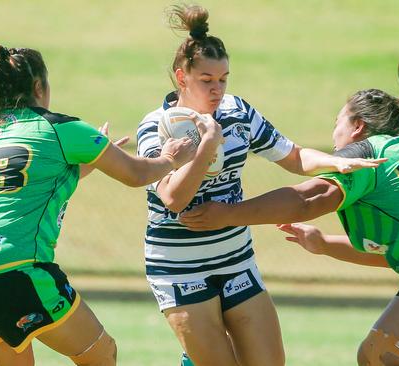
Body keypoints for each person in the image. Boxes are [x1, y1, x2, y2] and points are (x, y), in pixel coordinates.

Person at [180, 60, 399, 365]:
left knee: (377, 356)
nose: (334, 134)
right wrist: (325, 244)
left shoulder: (366, 153)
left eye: (338, 122)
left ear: (358, 126)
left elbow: (309, 199)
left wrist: (229, 213)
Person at [136, 5, 384, 366]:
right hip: (179, 267)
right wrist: (207, 145)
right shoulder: (156, 126)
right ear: (182, 77)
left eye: (223, 79)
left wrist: (337, 161)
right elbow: (173, 199)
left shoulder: (239, 113)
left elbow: (294, 156)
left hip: (236, 258)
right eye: (206, 80)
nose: (217, 89)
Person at [0, 44, 196, 366]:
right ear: (39, 87)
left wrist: (89, 161)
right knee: (101, 354)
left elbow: (24, 185)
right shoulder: (60, 127)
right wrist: (172, 158)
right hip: (11, 268)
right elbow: (136, 174)